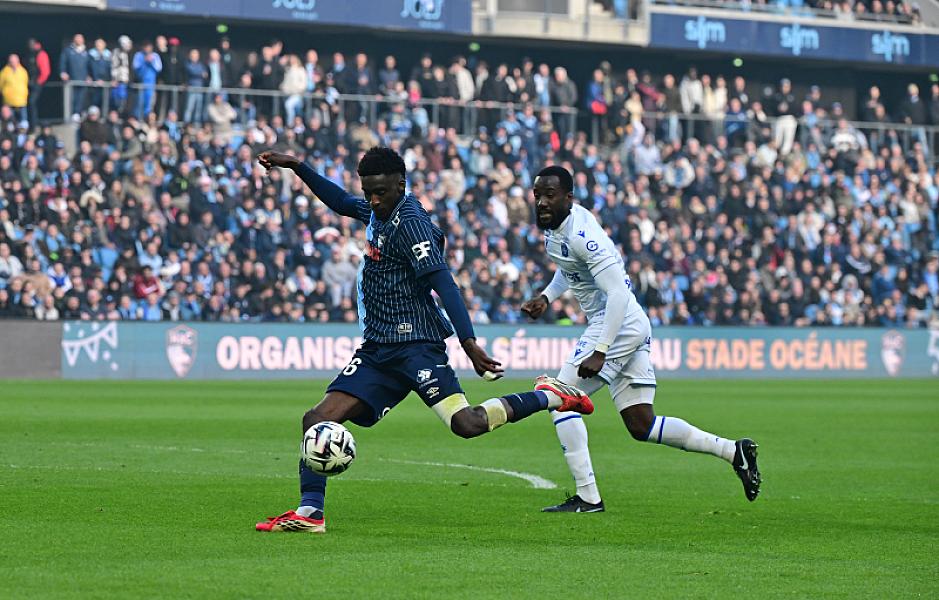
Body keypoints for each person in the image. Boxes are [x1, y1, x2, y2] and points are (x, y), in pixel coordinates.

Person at [254, 147, 594, 533]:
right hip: (378, 351)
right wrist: (297, 166)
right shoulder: (377, 211)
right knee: (316, 419)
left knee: (466, 424)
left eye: (380, 191)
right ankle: (311, 514)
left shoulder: (412, 225)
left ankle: (549, 395)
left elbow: (443, 284)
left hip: (417, 349)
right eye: (368, 192)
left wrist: (469, 343)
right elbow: (340, 201)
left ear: (401, 184)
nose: (373, 200)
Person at [520, 166, 762, 513]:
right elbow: (567, 266)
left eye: (550, 195)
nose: (542, 202)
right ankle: (732, 451)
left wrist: (601, 350)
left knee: (558, 398)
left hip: (617, 323)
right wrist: (546, 296)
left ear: (569, 198)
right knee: (641, 424)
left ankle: (588, 496)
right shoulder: (557, 230)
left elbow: (617, 294)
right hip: (627, 325)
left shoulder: (584, 234)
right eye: (537, 195)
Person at [25, 39, 50, 128]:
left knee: (32, 102)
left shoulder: (41, 54)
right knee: (28, 103)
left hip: (37, 83)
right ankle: (29, 123)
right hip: (29, 83)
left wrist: (38, 82)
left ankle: (33, 124)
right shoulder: (30, 54)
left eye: (32, 44)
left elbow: (45, 71)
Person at [0, 54, 29, 124]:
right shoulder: (4, 72)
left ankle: (22, 133)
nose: (13, 63)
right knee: (10, 121)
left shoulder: (23, 71)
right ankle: (11, 133)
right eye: (11, 61)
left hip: (21, 100)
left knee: (23, 120)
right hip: (9, 101)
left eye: (14, 61)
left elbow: (26, 83)